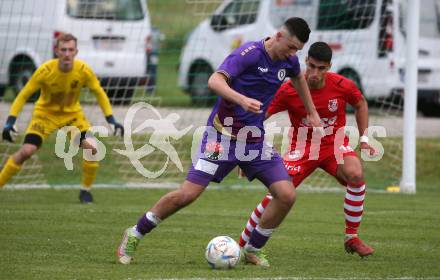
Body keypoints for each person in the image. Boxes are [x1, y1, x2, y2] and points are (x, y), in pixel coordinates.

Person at [117, 17, 322, 267]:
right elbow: (214, 80)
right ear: (279, 36)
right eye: (291, 47)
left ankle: (253, 249)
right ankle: (135, 233)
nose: (293, 54)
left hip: (253, 142)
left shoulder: (288, 60)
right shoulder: (248, 54)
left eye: (297, 51)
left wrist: (311, 112)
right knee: (187, 195)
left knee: (287, 195)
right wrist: (241, 100)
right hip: (220, 139)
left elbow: (298, 77)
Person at [238, 42, 376, 259]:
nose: (314, 73)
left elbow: (361, 104)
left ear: (329, 66)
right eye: (311, 66)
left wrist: (365, 138)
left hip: (334, 145)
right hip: (301, 148)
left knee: (356, 174)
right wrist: (248, 150)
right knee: (278, 194)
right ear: (305, 61)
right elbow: (260, 116)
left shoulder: (342, 85)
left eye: (321, 68)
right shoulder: (289, 89)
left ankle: (352, 237)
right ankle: (241, 245)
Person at [0, 33, 124, 203]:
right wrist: (9, 123)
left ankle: (85, 191)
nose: (67, 53)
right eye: (63, 49)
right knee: (26, 151)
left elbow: (99, 93)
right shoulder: (45, 71)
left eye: (70, 50)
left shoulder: (83, 71)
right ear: (56, 51)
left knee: (93, 148)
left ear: (76, 52)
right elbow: (22, 95)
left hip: (72, 117)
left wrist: (112, 120)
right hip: (44, 115)